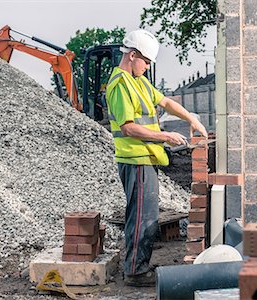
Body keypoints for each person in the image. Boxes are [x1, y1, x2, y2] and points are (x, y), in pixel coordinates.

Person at [105, 29, 207, 287]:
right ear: (132, 56)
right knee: (142, 217)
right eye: (146, 61)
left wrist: (191, 118)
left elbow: (165, 101)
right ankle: (136, 273)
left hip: (146, 158)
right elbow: (128, 127)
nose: (147, 66)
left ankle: (138, 266)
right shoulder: (119, 84)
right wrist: (165, 136)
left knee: (145, 216)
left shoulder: (138, 81)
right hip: (135, 159)